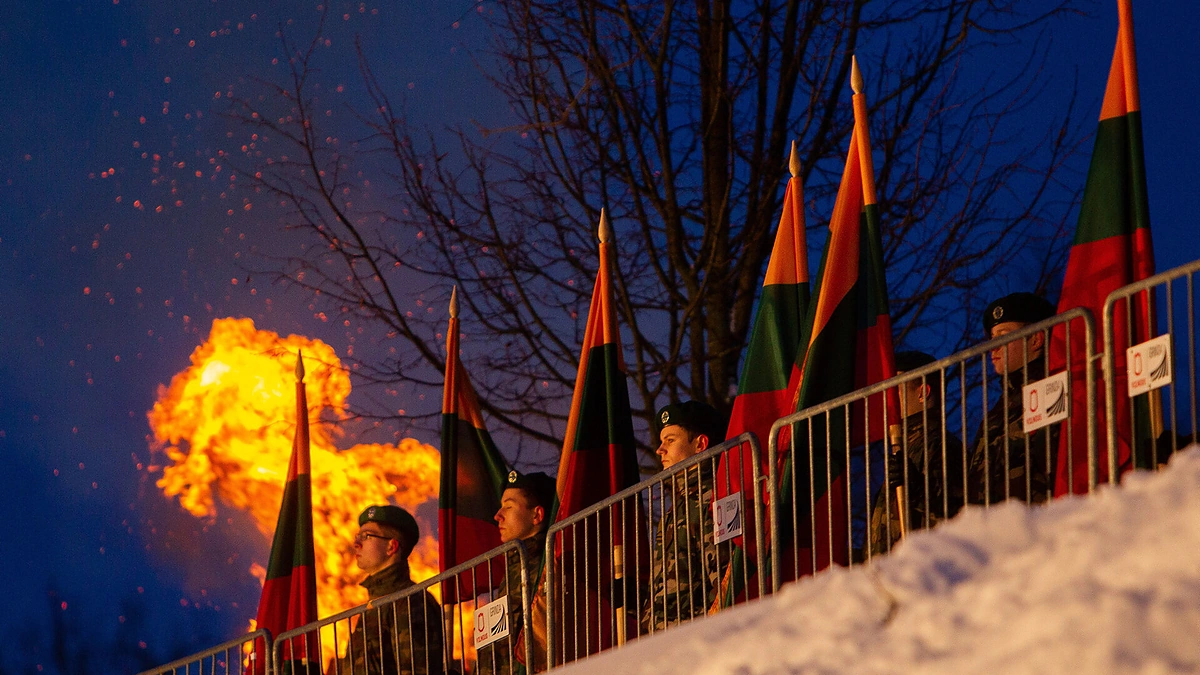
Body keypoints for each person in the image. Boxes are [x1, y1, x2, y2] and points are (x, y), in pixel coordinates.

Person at [641, 400, 729, 634]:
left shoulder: (715, 498)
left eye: (670, 440)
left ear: (700, 444)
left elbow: (724, 581)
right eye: (661, 442)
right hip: (666, 644)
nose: (660, 450)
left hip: (698, 641)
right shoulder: (677, 507)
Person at [868, 351, 965, 553]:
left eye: (895, 389)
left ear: (923, 392)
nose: (888, 399)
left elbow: (953, 515)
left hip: (919, 571)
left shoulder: (939, 444)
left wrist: (918, 488)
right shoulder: (908, 445)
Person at [967, 292, 1058, 505]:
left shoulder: (1054, 390)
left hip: (1038, 525)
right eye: (992, 339)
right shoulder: (997, 411)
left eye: (1003, 336)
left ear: (1036, 339)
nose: (993, 347)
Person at [340, 505, 445, 675]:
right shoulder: (375, 604)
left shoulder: (410, 601)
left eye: (366, 536)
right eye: (358, 536)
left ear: (391, 546)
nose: (356, 544)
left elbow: (416, 668)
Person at [478, 471, 555, 674]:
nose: (498, 516)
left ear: (537, 515)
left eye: (509, 506)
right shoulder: (514, 568)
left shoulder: (550, 565)